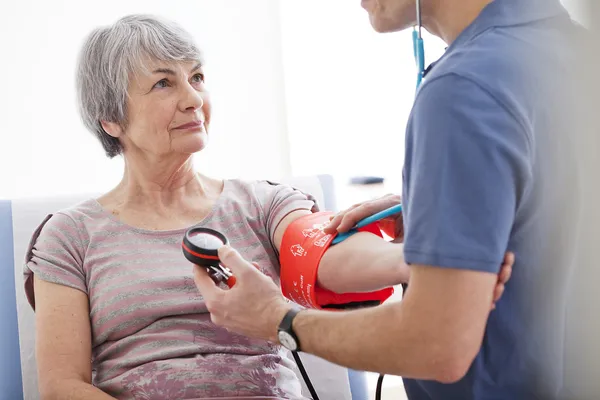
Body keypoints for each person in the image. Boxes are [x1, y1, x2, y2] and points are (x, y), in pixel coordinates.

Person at [22, 13, 514, 400]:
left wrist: (426, 259)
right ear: (111, 119)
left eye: (197, 77)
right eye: (163, 83)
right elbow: (62, 386)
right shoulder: (70, 235)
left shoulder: (261, 202)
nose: (194, 98)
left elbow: (330, 258)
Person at [194, 0, 581, 399]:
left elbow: (436, 346)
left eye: (197, 77)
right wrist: (446, 204)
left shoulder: (463, 89)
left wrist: (278, 319)